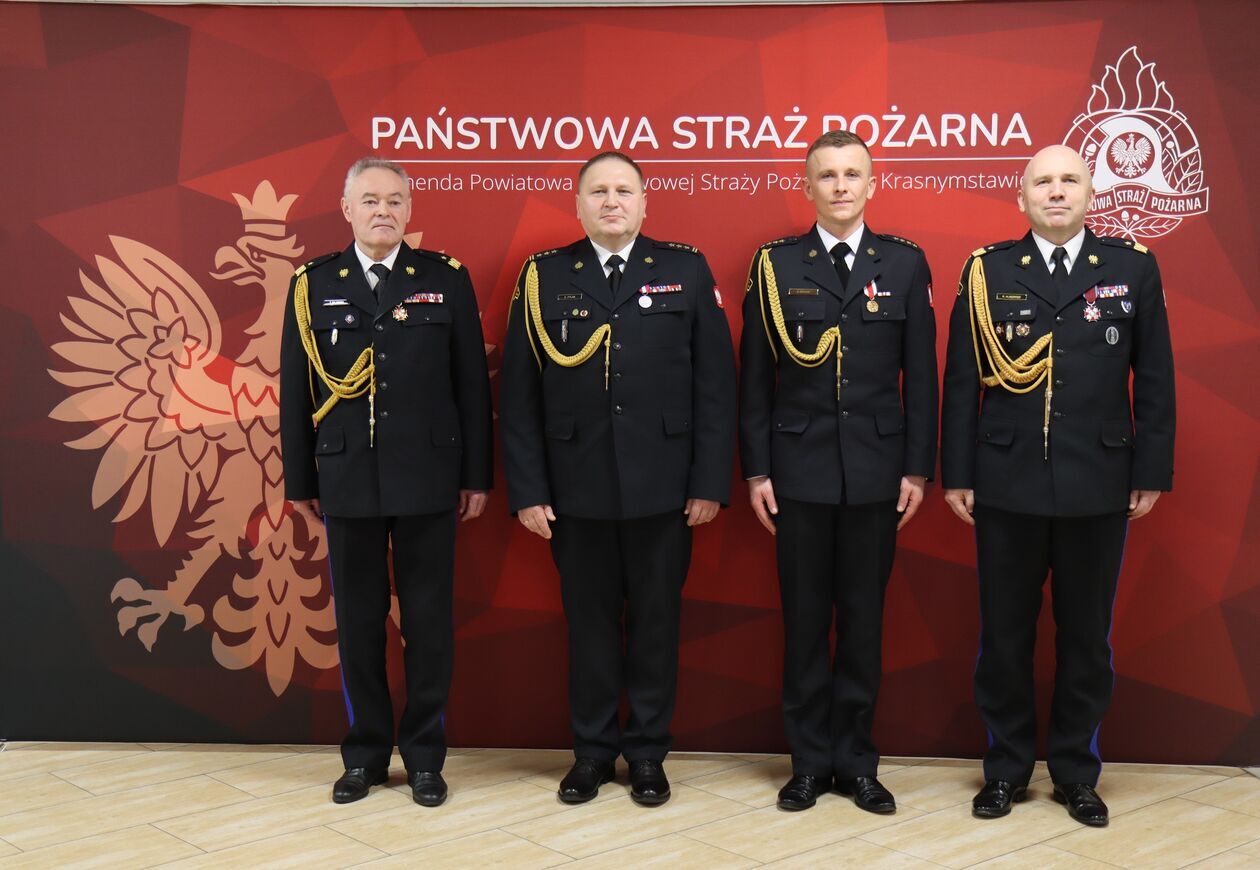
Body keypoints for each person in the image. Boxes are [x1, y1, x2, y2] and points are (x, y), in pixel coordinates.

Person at [941, 144, 1175, 827]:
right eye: (1042, 182)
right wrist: (958, 472)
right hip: (1005, 481)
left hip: (1098, 482)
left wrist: (1149, 471)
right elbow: (962, 381)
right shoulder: (987, 271)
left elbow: (1154, 377)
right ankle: (1006, 770)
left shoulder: (1132, 267)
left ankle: (1076, 772)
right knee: (1004, 637)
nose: (1056, 191)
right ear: (1021, 198)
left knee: (1086, 640)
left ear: (1090, 194)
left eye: (1070, 180)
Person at [499, 151, 736, 806]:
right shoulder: (544, 276)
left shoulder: (684, 270)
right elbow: (518, 397)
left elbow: (716, 388)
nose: (611, 202)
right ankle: (593, 753)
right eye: (598, 192)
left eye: (624, 191)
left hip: (666, 490)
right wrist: (529, 490)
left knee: (657, 627)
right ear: (577, 205)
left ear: (644, 203)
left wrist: (708, 483)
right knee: (590, 629)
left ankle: (649, 754)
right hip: (575, 491)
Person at [279, 157, 493, 807]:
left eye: (395, 200)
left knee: (427, 623)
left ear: (410, 210)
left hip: (429, 475)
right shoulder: (312, 284)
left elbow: (470, 386)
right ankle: (366, 756)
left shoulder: (444, 279)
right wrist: (299, 479)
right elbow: (296, 390)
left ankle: (425, 757)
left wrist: (476, 476)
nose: (383, 211)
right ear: (347, 209)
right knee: (358, 625)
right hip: (346, 476)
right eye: (370, 200)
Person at [740, 130, 938, 813]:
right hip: (797, 472)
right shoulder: (774, 265)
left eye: (853, 173)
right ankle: (807, 763)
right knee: (803, 625)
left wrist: (917, 469)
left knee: (862, 624)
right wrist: (757, 471)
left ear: (872, 184)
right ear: (807, 187)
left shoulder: (905, 263)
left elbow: (922, 376)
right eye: (827, 175)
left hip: (878, 474)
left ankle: (856, 763)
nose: (841, 185)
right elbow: (754, 378)